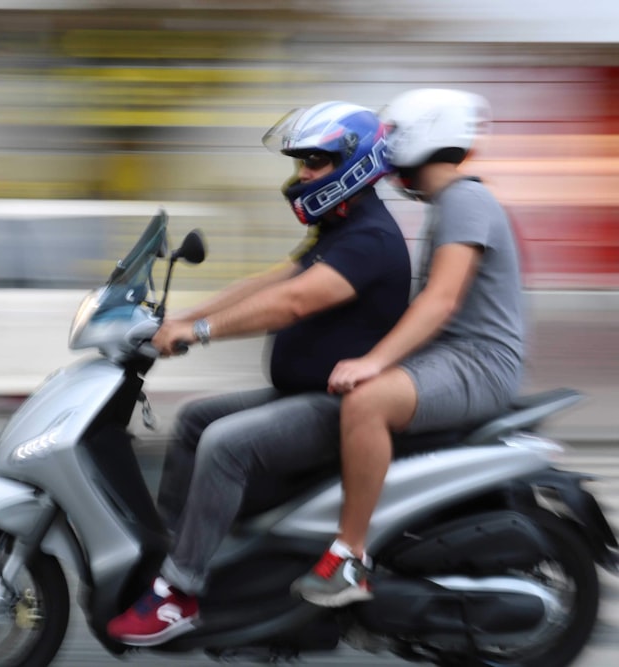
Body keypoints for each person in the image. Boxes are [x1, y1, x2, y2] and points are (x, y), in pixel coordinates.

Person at [106, 101, 411, 646]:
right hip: (300, 392)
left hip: (335, 409)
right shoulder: (338, 229)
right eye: (299, 164)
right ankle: (172, 555)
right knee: (198, 417)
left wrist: (199, 335)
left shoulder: (371, 239)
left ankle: (180, 595)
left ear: (355, 163)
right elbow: (272, 281)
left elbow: (292, 303)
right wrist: (183, 316)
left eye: (314, 163)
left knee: (226, 444)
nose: (302, 176)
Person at [291, 89, 525, 607]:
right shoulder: (452, 203)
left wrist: (374, 361)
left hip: (478, 362)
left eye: (393, 135)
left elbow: (442, 301)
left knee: (367, 400)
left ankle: (350, 557)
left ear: (425, 135)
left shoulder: (466, 199)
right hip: (454, 358)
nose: (386, 150)